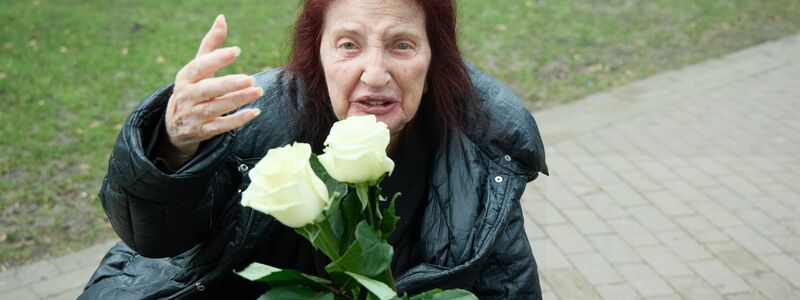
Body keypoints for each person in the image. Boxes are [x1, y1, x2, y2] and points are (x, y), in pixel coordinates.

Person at [80, 0, 548, 299]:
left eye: (402, 45)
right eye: (349, 45)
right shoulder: (249, 121)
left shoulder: (484, 152)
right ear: (316, 53)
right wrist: (175, 146)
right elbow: (155, 239)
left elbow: (506, 286)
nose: (375, 74)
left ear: (436, 58)